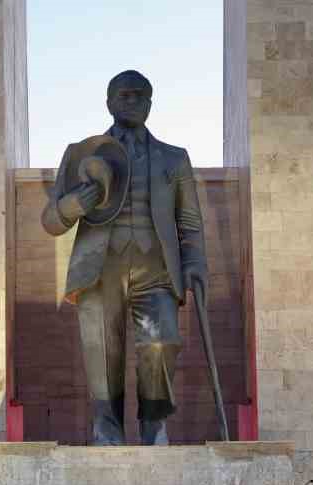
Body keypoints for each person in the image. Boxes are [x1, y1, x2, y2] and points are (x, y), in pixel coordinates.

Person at [42, 70, 208, 446]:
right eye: (123, 95)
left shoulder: (174, 158)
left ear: (150, 104)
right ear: (109, 103)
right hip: (99, 269)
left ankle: (154, 423)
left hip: (156, 269)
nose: (131, 101)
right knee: (102, 350)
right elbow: (51, 221)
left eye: (139, 95)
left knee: (161, 341)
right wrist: (71, 205)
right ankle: (107, 429)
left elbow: (190, 222)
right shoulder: (82, 154)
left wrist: (196, 263)